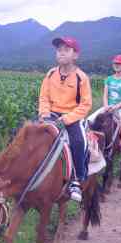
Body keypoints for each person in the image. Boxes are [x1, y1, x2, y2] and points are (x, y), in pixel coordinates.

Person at [38, 37, 92, 202]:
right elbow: (43, 97)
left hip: (71, 118)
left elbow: (85, 105)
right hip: (50, 115)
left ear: (75, 55)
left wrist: (66, 119)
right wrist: (45, 114)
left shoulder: (81, 78)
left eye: (66, 49)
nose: (61, 52)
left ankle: (77, 179)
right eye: (59, 49)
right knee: (25, 133)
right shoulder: (50, 74)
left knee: (78, 141)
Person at [90, 54, 121, 159]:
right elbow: (105, 95)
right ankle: (91, 145)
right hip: (108, 107)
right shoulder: (108, 79)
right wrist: (106, 106)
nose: (117, 65)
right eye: (115, 63)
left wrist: (115, 107)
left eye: (119, 64)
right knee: (90, 120)